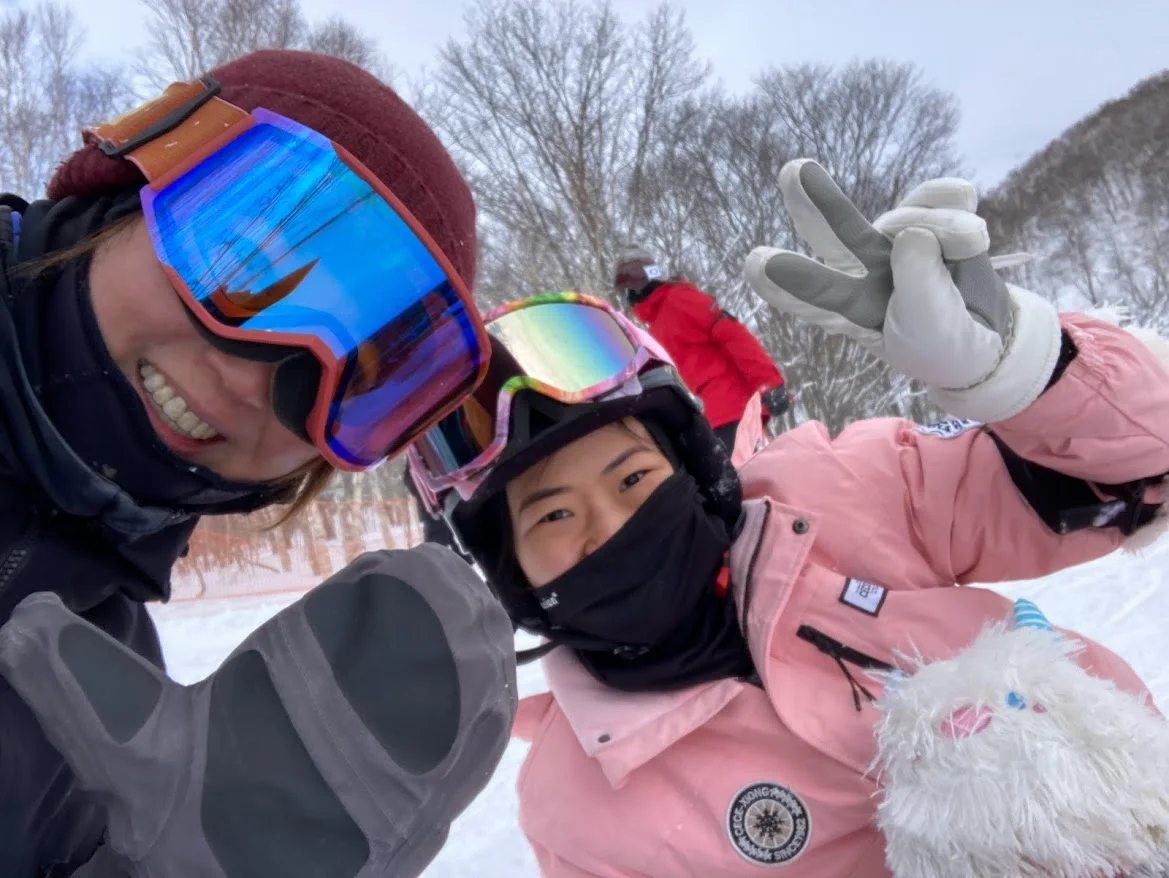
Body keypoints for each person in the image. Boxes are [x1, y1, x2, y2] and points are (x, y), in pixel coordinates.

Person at [407, 163, 1169, 876]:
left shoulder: (844, 495)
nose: (611, 524)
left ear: (687, 471)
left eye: (634, 476)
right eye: (555, 514)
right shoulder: (577, 810)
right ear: (506, 569)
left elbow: (1126, 482)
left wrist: (1028, 374)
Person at [0, 50, 514, 876]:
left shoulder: (104, 726)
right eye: (236, 264)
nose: (245, 378)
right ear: (118, 198)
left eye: (339, 382)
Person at [615, 247, 790, 448]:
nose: (632, 290)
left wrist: (769, 382)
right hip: (711, 419)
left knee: (753, 474)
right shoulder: (655, 325)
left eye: (637, 279)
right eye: (625, 285)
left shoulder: (679, 299)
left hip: (733, 409)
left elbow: (733, 334)